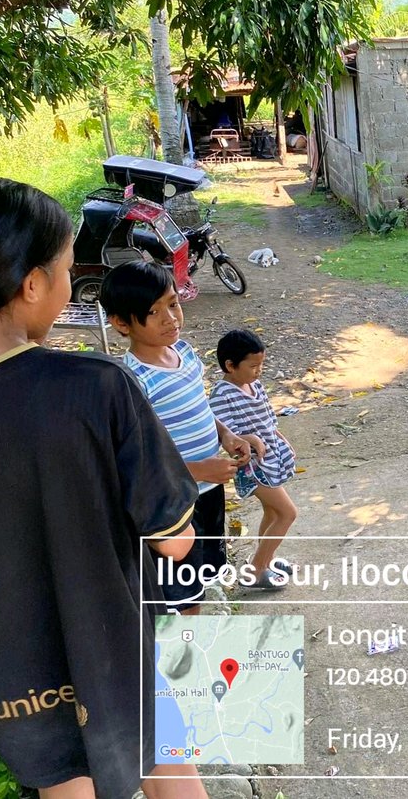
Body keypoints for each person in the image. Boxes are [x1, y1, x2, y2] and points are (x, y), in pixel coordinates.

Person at [0, 179, 207, 797]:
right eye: (69, 271)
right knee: (170, 770)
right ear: (32, 285)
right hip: (114, 655)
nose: (71, 286)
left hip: (9, 684)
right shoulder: (94, 388)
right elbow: (175, 541)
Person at [100, 261, 263, 610]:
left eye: (173, 304)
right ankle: (186, 637)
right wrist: (199, 470)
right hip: (173, 505)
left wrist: (226, 435)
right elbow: (140, 464)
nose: (170, 318)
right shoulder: (133, 381)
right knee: (181, 594)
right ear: (121, 323)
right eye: (153, 312)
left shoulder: (184, 354)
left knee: (202, 570)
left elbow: (199, 407)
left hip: (208, 492)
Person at [208, 329, 298, 589]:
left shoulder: (254, 385)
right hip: (251, 467)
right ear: (230, 365)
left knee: (273, 511)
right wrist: (250, 439)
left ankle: (265, 559)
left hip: (270, 460)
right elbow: (226, 434)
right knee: (287, 513)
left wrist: (281, 441)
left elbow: (268, 420)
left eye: (261, 365)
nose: (259, 371)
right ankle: (256, 571)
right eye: (253, 366)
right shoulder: (223, 395)